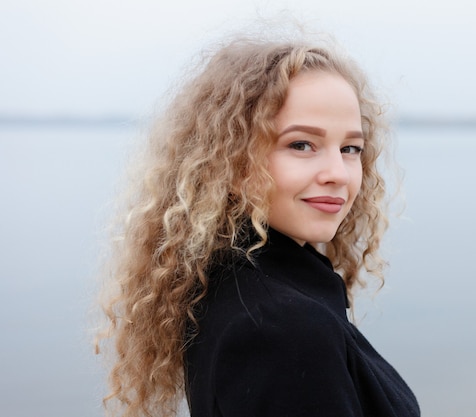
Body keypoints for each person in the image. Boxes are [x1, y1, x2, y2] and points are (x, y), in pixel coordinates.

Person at [97, 28, 420, 417]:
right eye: (301, 144)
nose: (338, 172)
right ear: (231, 162)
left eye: (351, 148)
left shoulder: (229, 283)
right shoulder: (281, 327)